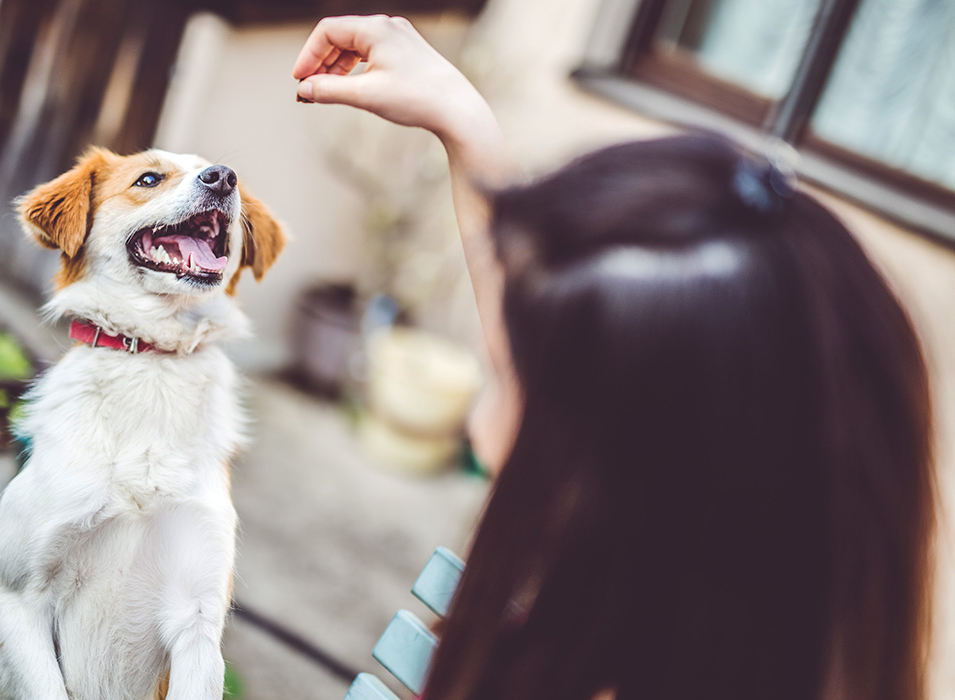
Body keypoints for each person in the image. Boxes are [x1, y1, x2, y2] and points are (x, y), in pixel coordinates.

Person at [293, 16, 935, 700]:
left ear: (623, 482)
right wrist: (461, 121)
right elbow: (568, 339)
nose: (478, 428)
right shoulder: (703, 608)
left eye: (506, 382)